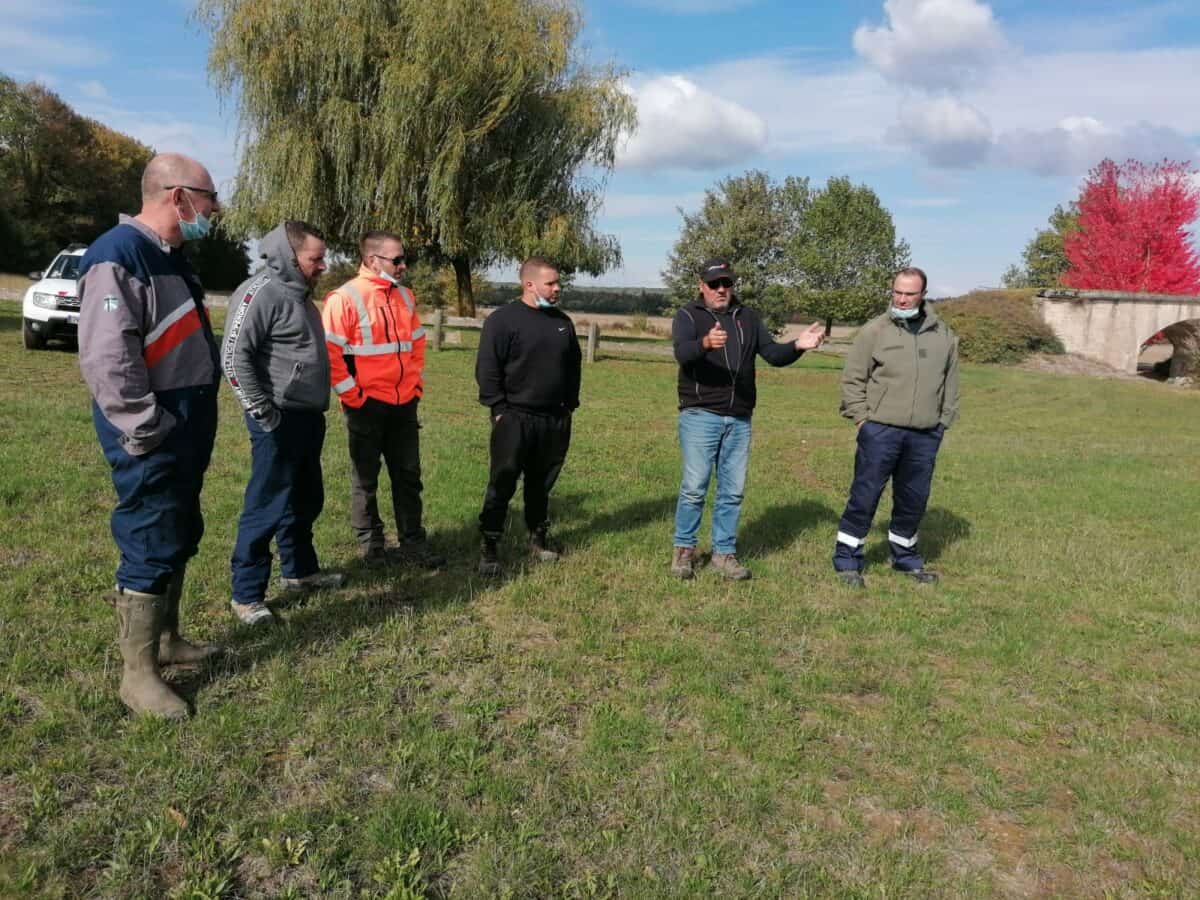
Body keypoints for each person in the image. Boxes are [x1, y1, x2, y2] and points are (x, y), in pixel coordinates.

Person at [77, 152, 223, 719]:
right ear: (176, 196)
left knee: (179, 529)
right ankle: (137, 676)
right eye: (208, 199)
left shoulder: (174, 257)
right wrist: (145, 425)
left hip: (184, 424)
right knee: (149, 534)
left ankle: (167, 641)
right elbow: (109, 356)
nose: (212, 211)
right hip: (152, 429)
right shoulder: (118, 255)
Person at [670, 259, 825, 580]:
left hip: (739, 417)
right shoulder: (688, 315)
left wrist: (797, 345)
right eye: (714, 284)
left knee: (732, 491)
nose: (721, 289)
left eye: (726, 283)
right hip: (700, 414)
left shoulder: (748, 318)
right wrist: (704, 344)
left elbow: (772, 354)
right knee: (694, 488)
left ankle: (724, 554)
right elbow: (682, 353)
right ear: (702, 286)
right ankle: (684, 551)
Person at [222, 221, 343, 625]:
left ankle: (300, 572)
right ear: (290, 257)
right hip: (277, 419)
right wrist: (262, 411)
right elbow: (234, 357)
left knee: (305, 500)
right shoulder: (260, 292)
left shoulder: (303, 298)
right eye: (316, 258)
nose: (323, 265)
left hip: (308, 418)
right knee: (266, 505)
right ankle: (246, 594)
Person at [321, 231, 444, 569]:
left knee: (408, 475)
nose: (404, 265)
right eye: (397, 259)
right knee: (366, 476)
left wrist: (415, 387)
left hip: (404, 403)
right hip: (366, 405)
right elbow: (330, 354)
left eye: (405, 258)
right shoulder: (344, 298)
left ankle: (413, 542)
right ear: (373, 260)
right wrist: (352, 395)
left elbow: (416, 344)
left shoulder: (406, 297)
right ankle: (371, 544)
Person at [832, 266, 960, 586]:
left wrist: (941, 423)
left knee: (913, 497)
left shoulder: (943, 336)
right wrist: (863, 420)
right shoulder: (875, 331)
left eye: (909, 293)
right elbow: (853, 379)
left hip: (925, 434)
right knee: (865, 494)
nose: (902, 299)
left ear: (923, 295)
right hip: (880, 430)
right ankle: (848, 559)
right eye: (897, 292)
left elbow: (951, 384)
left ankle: (905, 557)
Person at [475, 256, 580, 577]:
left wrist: (568, 406)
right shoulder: (503, 320)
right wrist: (499, 410)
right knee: (503, 481)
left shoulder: (563, 322)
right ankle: (490, 544)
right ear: (529, 284)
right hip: (515, 417)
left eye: (558, 282)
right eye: (551, 283)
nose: (557, 288)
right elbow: (487, 369)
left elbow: (573, 367)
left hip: (554, 419)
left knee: (541, 483)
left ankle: (538, 539)